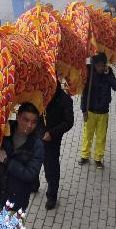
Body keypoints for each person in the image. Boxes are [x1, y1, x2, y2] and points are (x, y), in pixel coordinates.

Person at [0, 102, 44, 212]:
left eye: (33, 122)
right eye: (26, 120)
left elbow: (30, 174)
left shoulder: (37, 145)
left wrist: (6, 160)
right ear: (18, 117)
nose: (29, 125)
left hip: (16, 201)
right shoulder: (4, 130)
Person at [78, 52, 116, 168]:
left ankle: (98, 158)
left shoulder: (108, 72)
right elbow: (83, 93)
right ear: (94, 64)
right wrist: (83, 110)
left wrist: (108, 75)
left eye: (103, 65)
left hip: (103, 111)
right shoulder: (89, 72)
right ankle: (85, 156)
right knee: (88, 135)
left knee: (101, 136)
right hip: (90, 111)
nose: (101, 68)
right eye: (98, 65)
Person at [38, 82, 74, 210]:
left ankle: (52, 196)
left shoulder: (65, 100)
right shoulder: (39, 94)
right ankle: (33, 184)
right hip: (37, 134)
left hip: (52, 140)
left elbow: (69, 122)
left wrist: (52, 133)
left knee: (51, 168)